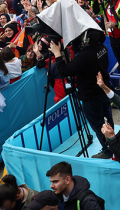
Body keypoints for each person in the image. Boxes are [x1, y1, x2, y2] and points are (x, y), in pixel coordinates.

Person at [48, 30, 113, 159]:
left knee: (99, 125)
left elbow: (65, 72)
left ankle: (108, 150)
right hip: (104, 90)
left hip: (91, 96)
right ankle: (113, 144)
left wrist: (57, 54)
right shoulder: (102, 47)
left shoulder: (85, 56)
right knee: (107, 120)